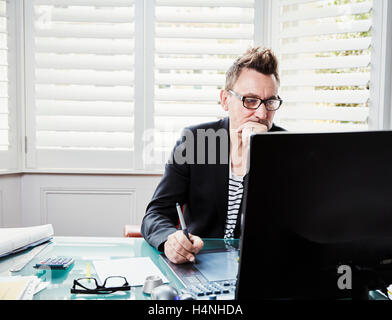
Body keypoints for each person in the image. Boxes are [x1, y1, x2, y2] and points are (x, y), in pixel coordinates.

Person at [141, 47, 285, 264]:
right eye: (251, 100)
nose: (262, 114)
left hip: (264, 266)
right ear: (225, 100)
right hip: (199, 261)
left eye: (270, 102)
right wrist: (171, 241)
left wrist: (259, 154)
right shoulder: (196, 141)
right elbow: (156, 214)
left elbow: (299, 225)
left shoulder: (286, 147)